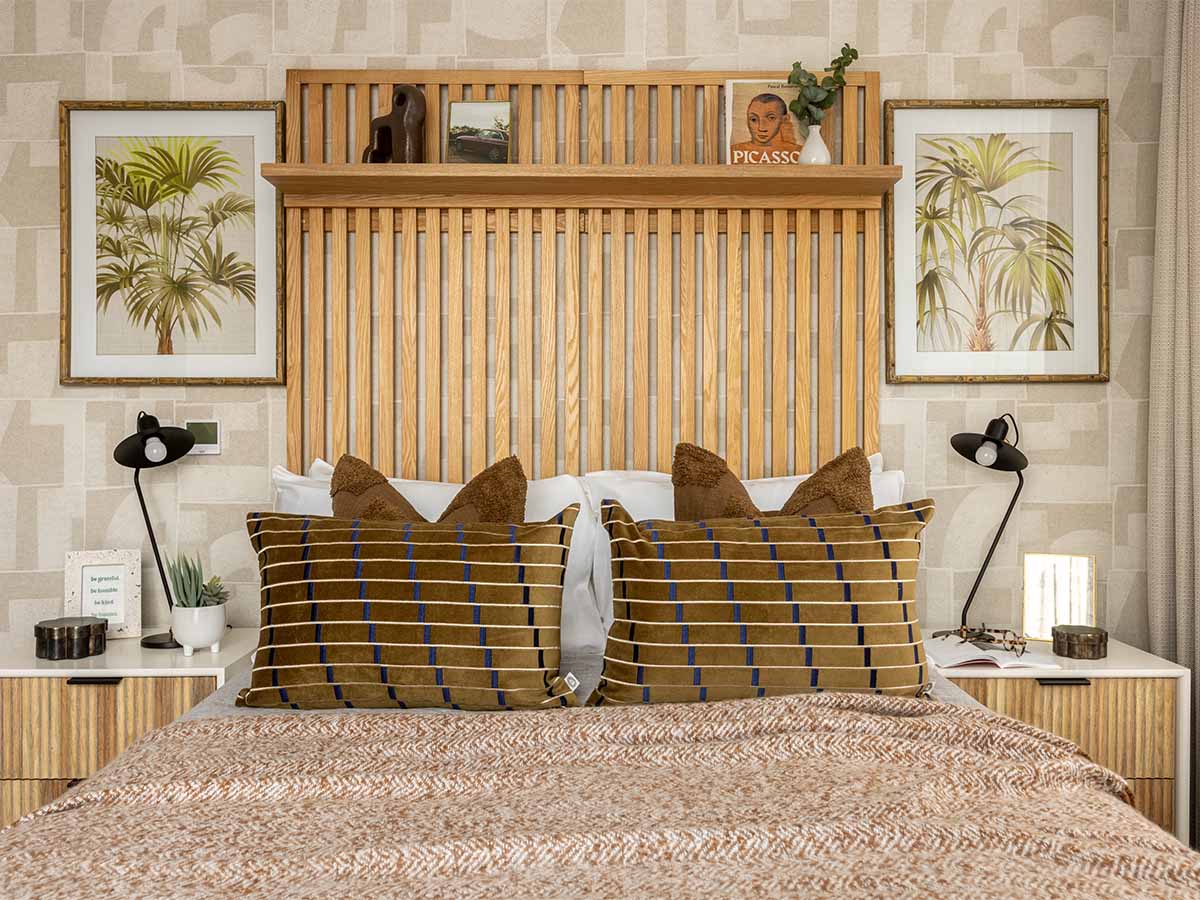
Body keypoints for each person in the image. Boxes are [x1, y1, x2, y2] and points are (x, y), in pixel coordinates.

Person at [730, 92, 803, 163]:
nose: (761, 128)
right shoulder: (733, 151)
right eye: (753, 119)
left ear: (784, 119)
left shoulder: (801, 153)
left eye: (771, 118)